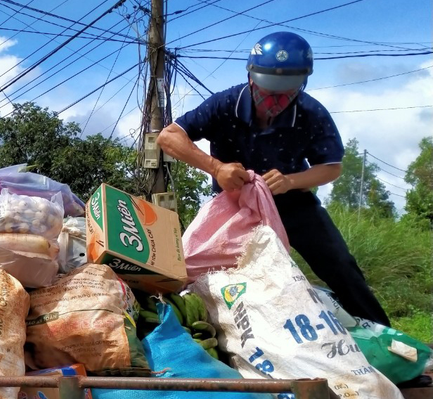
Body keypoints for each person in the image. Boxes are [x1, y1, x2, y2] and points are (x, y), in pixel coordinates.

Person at [157, 31, 390, 326]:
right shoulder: (225, 104)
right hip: (236, 209)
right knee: (203, 272)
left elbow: (331, 167)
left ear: (301, 84)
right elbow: (169, 136)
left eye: (285, 93)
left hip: (295, 206)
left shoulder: (311, 112)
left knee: (342, 267)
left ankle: (388, 343)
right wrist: (216, 168)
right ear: (251, 77)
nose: (274, 101)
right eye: (267, 91)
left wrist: (291, 181)